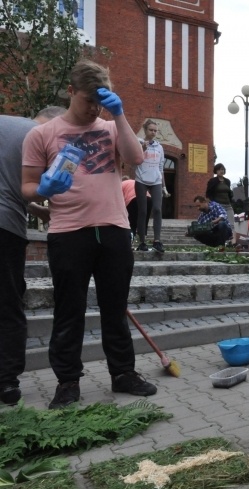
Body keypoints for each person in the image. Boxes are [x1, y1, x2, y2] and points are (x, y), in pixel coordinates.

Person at [21, 59, 157, 409]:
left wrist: (120, 116)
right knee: (69, 310)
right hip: (68, 232)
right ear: (70, 92)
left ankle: (123, 374)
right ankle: (68, 382)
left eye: (100, 101)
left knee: (115, 307)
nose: (93, 108)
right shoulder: (42, 134)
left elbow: (136, 157)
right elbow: (27, 187)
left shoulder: (110, 128)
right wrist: (43, 188)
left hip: (112, 228)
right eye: (88, 101)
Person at [0, 106, 65, 406]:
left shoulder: (7, 124)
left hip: (8, 212)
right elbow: (45, 188)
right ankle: (6, 383)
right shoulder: (42, 136)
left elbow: (10, 185)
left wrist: (36, 210)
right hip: (4, 227)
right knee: (8, 302)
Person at [134, 119, 165, 253]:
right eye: (151, 130)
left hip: (156, 181)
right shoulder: (138, 142)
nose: (153, 132)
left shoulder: (159, 147)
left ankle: (157, 241)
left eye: (155, 130)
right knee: (143, 211)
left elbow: (161, 166)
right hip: (141, 179)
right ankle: (142, 242)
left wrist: (164, 186)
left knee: (157, 209)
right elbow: (133, 160)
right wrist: (142, 149)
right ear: (145, 130)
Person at [121, 176, 151, 245]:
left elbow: (119, 200)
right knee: (144, 221)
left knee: (132, 223)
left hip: (133, 199)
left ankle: (132, 237)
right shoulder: (135, 182)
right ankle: (143, 241)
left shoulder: (121, 184)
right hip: (148, 199)